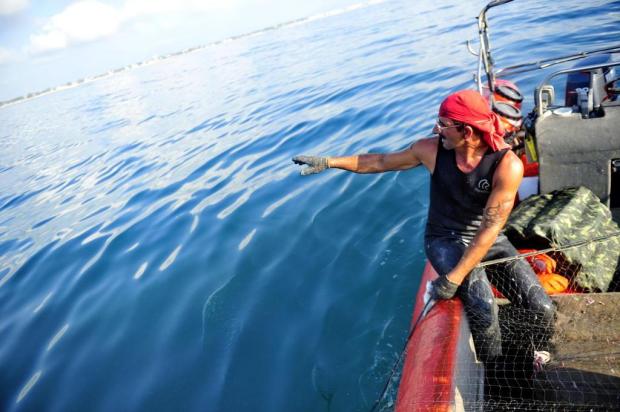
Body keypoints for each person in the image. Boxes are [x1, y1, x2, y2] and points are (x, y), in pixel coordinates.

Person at [292, 89, 554, 364]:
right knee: (483, 305)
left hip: (488, 239)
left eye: (443, 124)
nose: (435, 128)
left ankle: (530, 357)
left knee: (542, 308)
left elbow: (490, 228)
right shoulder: (429, 149)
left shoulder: (507, 165)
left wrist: (453, 278)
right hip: (444, 238)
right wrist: (330, 162)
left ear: (466, 131)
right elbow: (380, 161)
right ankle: (496, 372)